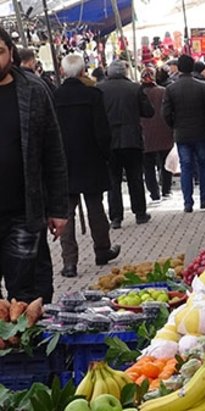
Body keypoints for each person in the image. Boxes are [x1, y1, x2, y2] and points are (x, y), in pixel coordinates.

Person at [0, 28, 68, 303]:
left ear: (11, 52)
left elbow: (53, 153)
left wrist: (58, 209)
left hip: (23, 213)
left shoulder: (33, 90)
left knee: (27, 293)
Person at [53, 54, 120, 278]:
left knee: (66, 213)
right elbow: (102, 130)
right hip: (91, 159)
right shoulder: (93, 95)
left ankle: (69, 262)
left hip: (64, 162)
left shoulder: (55, 96)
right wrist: (106, 155)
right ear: (83, 71)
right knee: (96, 208)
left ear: (63, 72)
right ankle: (102, 250)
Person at [97, 60, 154, 229]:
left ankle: (116, 217)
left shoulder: (100, 89)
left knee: (113, 180)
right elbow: (148, 111)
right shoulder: (135, 88)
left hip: (109, 140)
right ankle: (140, 213)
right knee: (135, 177)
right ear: (124, 72)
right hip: (132, 139)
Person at [163, 54, 205, 213]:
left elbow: (166, 113)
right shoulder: (203, 87)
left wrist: (174, 126)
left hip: (182, 133)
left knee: (186, 167)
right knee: (203, 165)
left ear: (179, 68)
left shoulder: (171, 89)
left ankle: (188, 202)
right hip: (201, 132)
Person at [139, 67, 174, 202]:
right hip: (163, 131)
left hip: (144, 133)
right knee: (165, 162)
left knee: (148, 166)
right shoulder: (163, 91)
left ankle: (154, 193)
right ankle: (166, 189)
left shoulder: (138, 93)